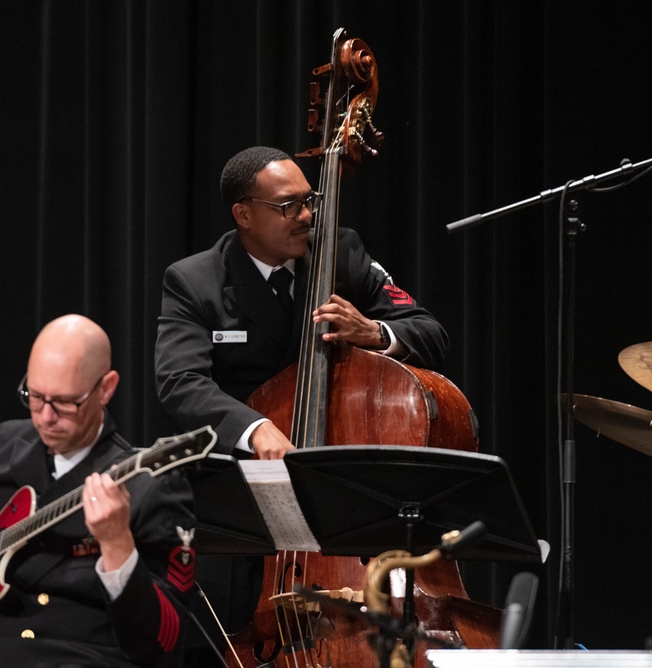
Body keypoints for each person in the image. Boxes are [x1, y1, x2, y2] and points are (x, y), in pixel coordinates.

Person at [154, 145, 449, 664]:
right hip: (248, 510)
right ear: (243, 214)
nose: (308, 215)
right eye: (288, 206)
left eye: (309, 200)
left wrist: (374, 333)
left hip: (340, 501)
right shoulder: (194, 281)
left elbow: (429, 331)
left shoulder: (342, 252)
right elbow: (180, 383)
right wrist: (255, 427)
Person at [0, 314, 196, 667]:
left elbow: (165, 643)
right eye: (34, 397)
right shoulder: (6, 445)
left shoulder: (152, 484)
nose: (45, 418)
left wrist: (118, 546)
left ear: (106, 388)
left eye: (65, 402)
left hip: (79, 658)